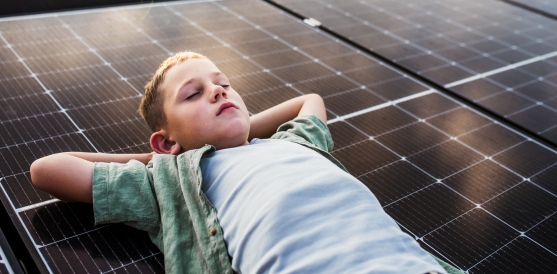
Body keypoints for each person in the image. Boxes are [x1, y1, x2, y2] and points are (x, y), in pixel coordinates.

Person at [31, 51, 461, 274]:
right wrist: (160, 159)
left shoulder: (295, 144)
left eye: (223, 84)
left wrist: (244, 129)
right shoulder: (173, 181)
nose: (218, 92)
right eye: (193, 93)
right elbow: (48, 168)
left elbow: (309, 102)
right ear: (166, 141)